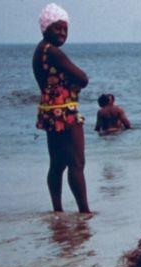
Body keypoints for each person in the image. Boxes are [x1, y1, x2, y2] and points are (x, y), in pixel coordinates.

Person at [32, 3, 91, 215]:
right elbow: (82, 78)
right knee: (77, 162)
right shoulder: (53, 52)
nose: (62, 33)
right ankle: (85, 212)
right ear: (45, 27)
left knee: (57, 164)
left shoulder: (40, 51)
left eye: (65, 29)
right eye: (57, 28)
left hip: (49, 110)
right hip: (64, 111)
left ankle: (57, 210)